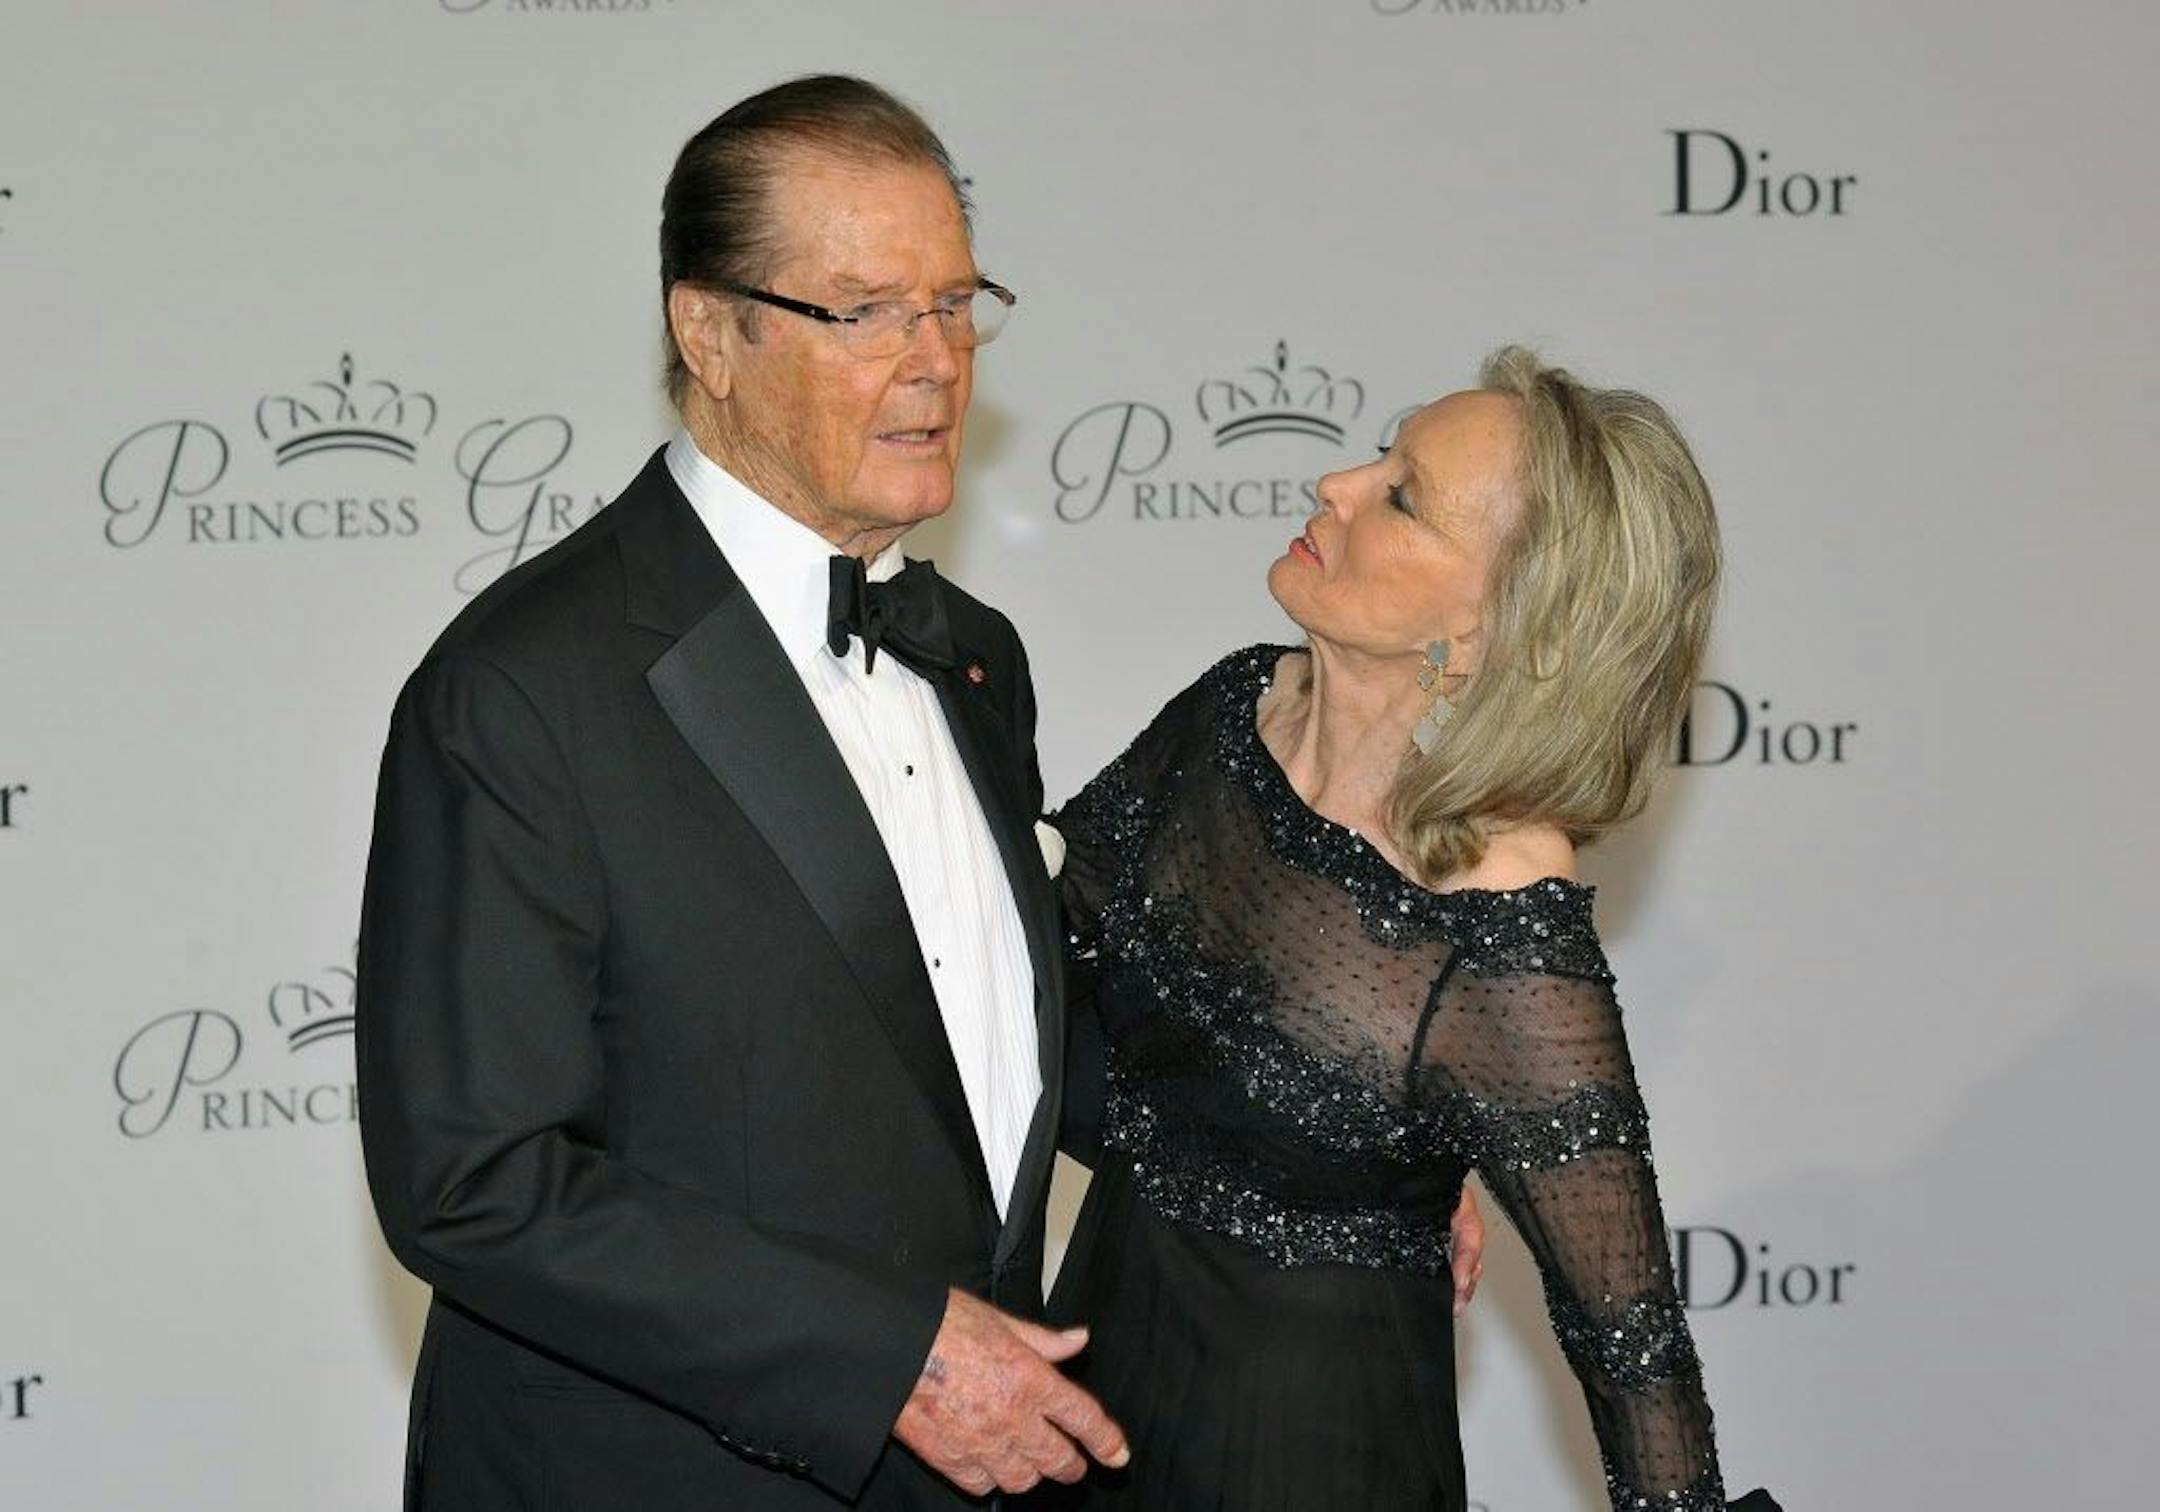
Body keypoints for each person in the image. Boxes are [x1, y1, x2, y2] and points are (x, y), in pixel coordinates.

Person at [355, 76, 1134, 1510]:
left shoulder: (973, 656)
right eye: (868, 312)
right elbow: (478, 1180)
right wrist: (888, 1358)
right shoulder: (526, 690)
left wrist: (1346, 1165)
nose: (937, 362)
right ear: (708, 331)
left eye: (958, 304)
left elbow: (1003, 1045)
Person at [1045, 349, 1779, 1510]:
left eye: (1403, 496)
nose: (1337, 483)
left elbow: (1635, 1359)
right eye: (1382, 452)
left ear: (1496, 626)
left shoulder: (1497, 914)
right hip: (1084, 1402)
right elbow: (1030, 984)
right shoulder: (1234, 711)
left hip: (1302, 1460)